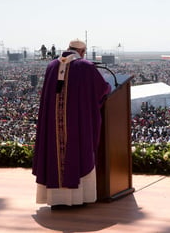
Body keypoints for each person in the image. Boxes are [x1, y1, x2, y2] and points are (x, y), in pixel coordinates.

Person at [32, 39, 111, 208]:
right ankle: (77, 199)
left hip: (53, 125)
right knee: (78, 153)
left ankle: (56, 200)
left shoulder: (52, 66)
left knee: (55, 153)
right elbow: (102, 89)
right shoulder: (86, 66)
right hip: (77, 124)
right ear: (82, 51)